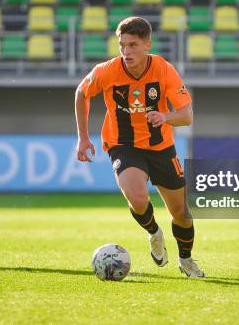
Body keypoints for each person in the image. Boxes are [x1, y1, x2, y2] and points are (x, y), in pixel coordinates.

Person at [75, 16, 205, 278]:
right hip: (123, 145)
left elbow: (187, 115)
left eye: (132, 45)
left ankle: (186, 259)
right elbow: (81, 92)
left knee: (180, 213)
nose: (126, 51)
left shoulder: (164, 69)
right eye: (122, 45)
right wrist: (83, 136)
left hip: (160, 146)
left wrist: (165, 116)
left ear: (147, 44)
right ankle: (154, 233)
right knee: (137, 197)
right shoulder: (107, 71)